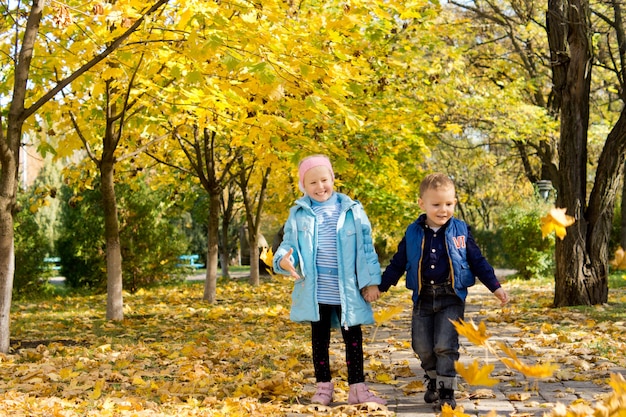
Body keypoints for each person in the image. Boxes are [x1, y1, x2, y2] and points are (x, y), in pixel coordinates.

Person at [362, 173, 509, 410]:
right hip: (423, 297)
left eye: (449, 204)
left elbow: (478, 260)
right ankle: (432, 377)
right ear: (422, 204)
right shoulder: (413, 232)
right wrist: (381, 286)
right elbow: (398, 262)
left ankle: (446, 390)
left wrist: (496, 287)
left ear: (455, 202)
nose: (443, 210)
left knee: (445, 344)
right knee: (421, 345)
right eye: (437, 204)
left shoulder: (460, 231)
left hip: (451, 297)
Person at [273, 154, 386, 407]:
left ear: (332, 179)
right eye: (312, 182)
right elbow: (288, 245)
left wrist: (371, 282)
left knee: (353, 340)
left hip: (347, 290)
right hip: (317, 291)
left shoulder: (352, 210)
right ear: (304, 185)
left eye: (324, 180)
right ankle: (323, 387)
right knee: (319, 340)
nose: (320, 186)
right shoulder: (299, 213)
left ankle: (358, 388)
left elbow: (366, 249)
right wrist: (283, 261)